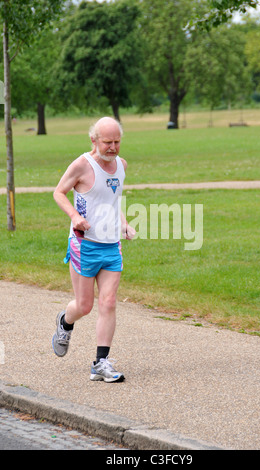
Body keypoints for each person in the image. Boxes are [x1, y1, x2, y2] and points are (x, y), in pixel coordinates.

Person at [52, 117, 135, 383]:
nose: (112, 147)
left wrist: (123, 224)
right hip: (84, 244)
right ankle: (65, 321)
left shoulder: (121, 166)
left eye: (117, 141)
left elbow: (113, 200)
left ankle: (100, 363)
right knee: (84, 306)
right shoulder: (82, 165)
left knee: (108, 302)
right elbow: (59, 193)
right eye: (107, 142)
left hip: (111, 245)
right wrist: (75, 217)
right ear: (94, 140)